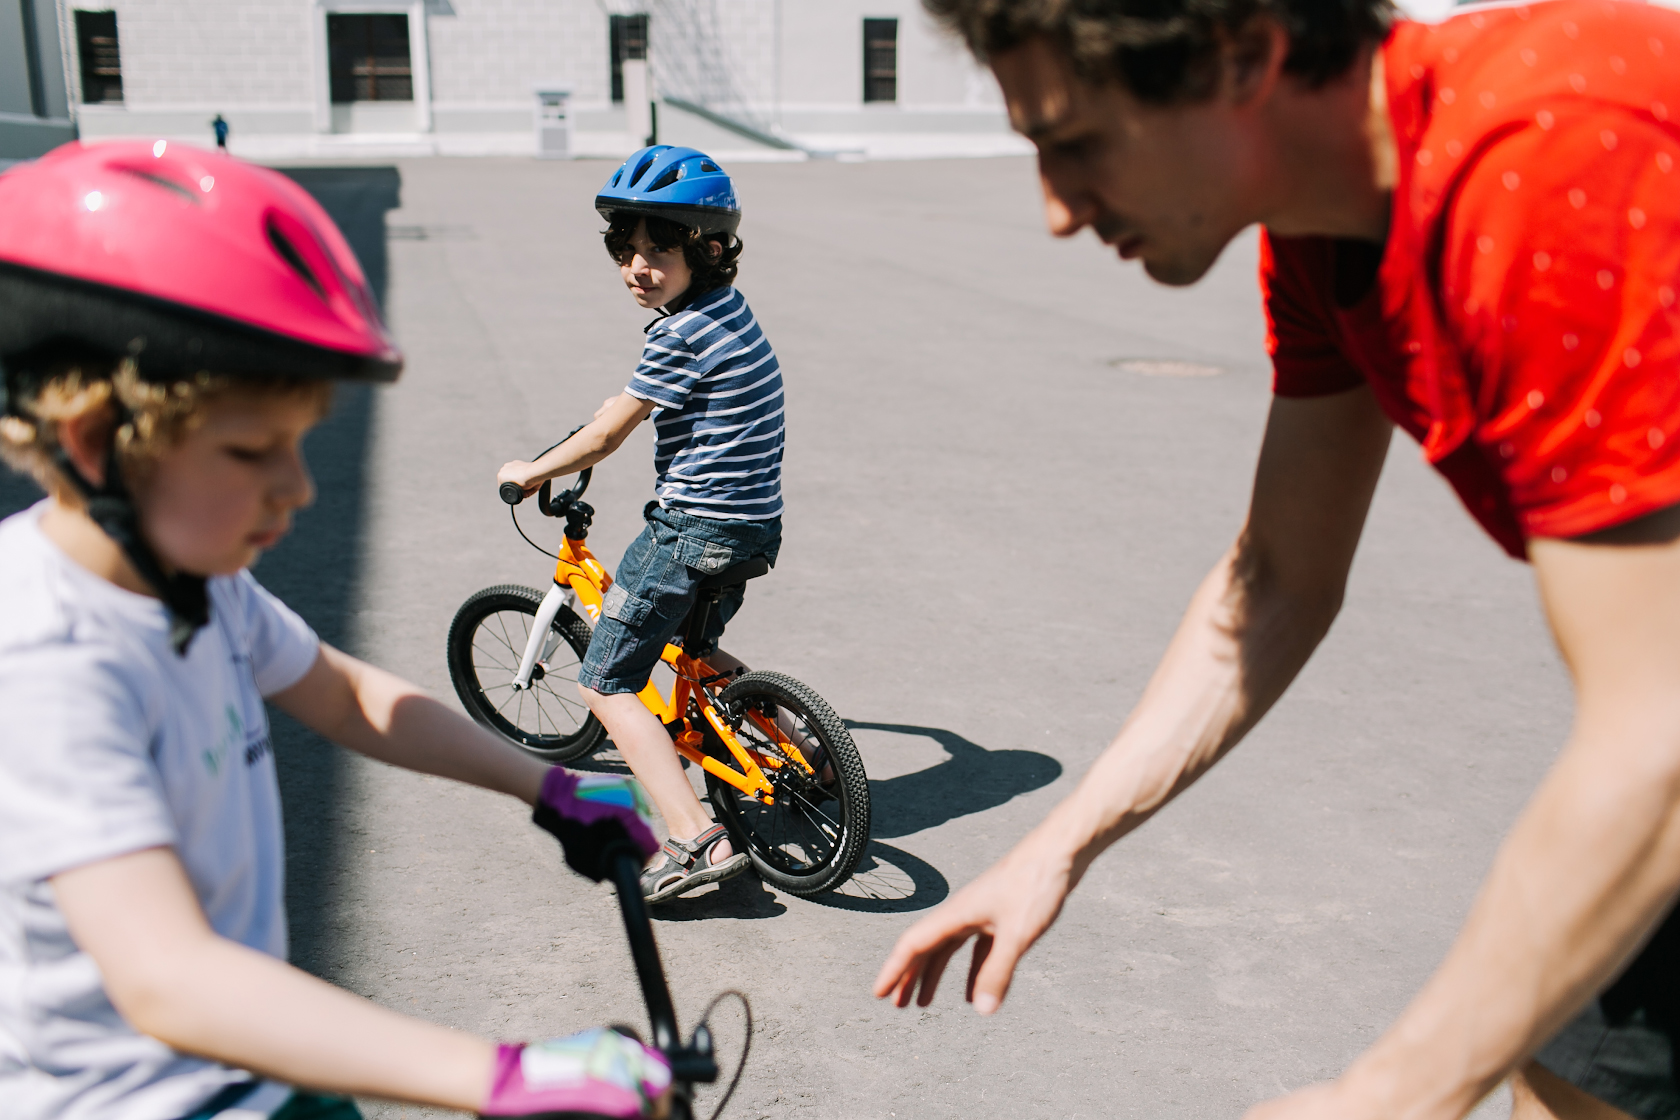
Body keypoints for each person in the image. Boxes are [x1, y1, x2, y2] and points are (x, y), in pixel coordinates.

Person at [872, 2, 1680, 1120]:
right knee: (1558, 1077)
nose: (1057, 210)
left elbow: (1657, 740)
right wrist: (1056, 849)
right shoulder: (1322, 230)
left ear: (1246, 54)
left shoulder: (1543, 163)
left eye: (1078, 142)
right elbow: (1277, 580)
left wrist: (1386, 1093)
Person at [0, 140, 672, 1120]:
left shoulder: (194, 579)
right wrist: (500, 1077)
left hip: (259, 1067)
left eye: (300, 442)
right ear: (98, 443)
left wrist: (550, 787)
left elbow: (351, 698)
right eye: (251, 449)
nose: (298, 488)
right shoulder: (45, 659)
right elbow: (168, 980)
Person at [497, 144, 786, 904]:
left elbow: (604, 439)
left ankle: (695, 836)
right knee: (695, 648)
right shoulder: (726, 312)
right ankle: (794, 746)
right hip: (752, 526)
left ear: (709, 248)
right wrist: (614, 409)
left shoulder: (676, 334)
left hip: (691, 529)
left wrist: (531, 471)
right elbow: (650, 400)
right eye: (626, 252)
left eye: (659, 251)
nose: (638, 268)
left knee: (606, 682)